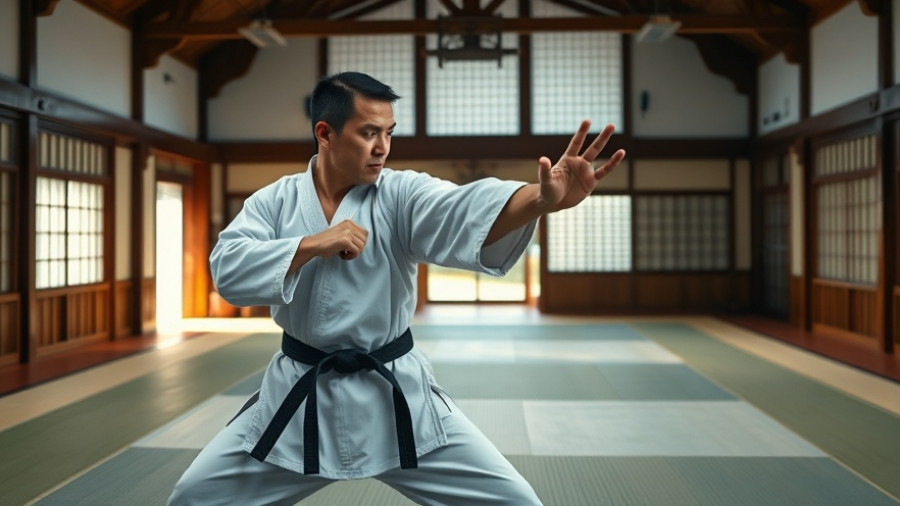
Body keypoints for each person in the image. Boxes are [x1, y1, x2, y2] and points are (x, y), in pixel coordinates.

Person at [169, 71, 625, 505]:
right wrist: (312, 244)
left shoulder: (400, 194)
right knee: (195, 495)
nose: (382, 147)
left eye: (389, 133)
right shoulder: (275, 201)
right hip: (299, 399)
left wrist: (539, 199)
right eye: (369, 133)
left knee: (514, 499)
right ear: (325, 133)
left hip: (395, 398)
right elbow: (228, 268)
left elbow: (461, 208)